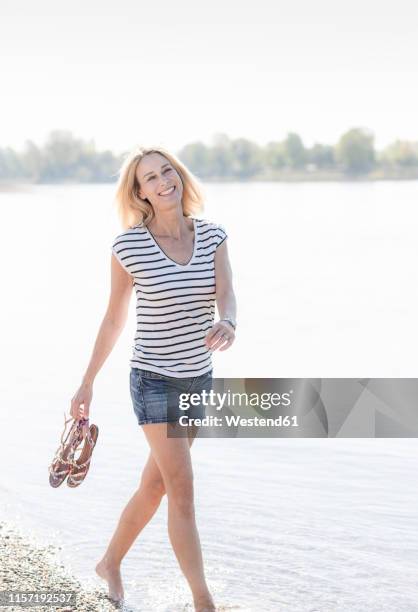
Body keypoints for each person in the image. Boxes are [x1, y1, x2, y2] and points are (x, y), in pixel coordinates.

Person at [70, 145, 237, 611]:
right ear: (139, 192)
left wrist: (229, 323)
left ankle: (109, 562)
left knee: (157, 485)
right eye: (151, 177)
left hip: (197, 380)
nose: (164, 181)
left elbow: (228, 296)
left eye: (168, 171)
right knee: (182, 491)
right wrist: (86, 382)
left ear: (179, 177)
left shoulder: (214, 236)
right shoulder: (128, 246)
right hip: (153, 380)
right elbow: (113, 320)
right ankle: (204, 603)